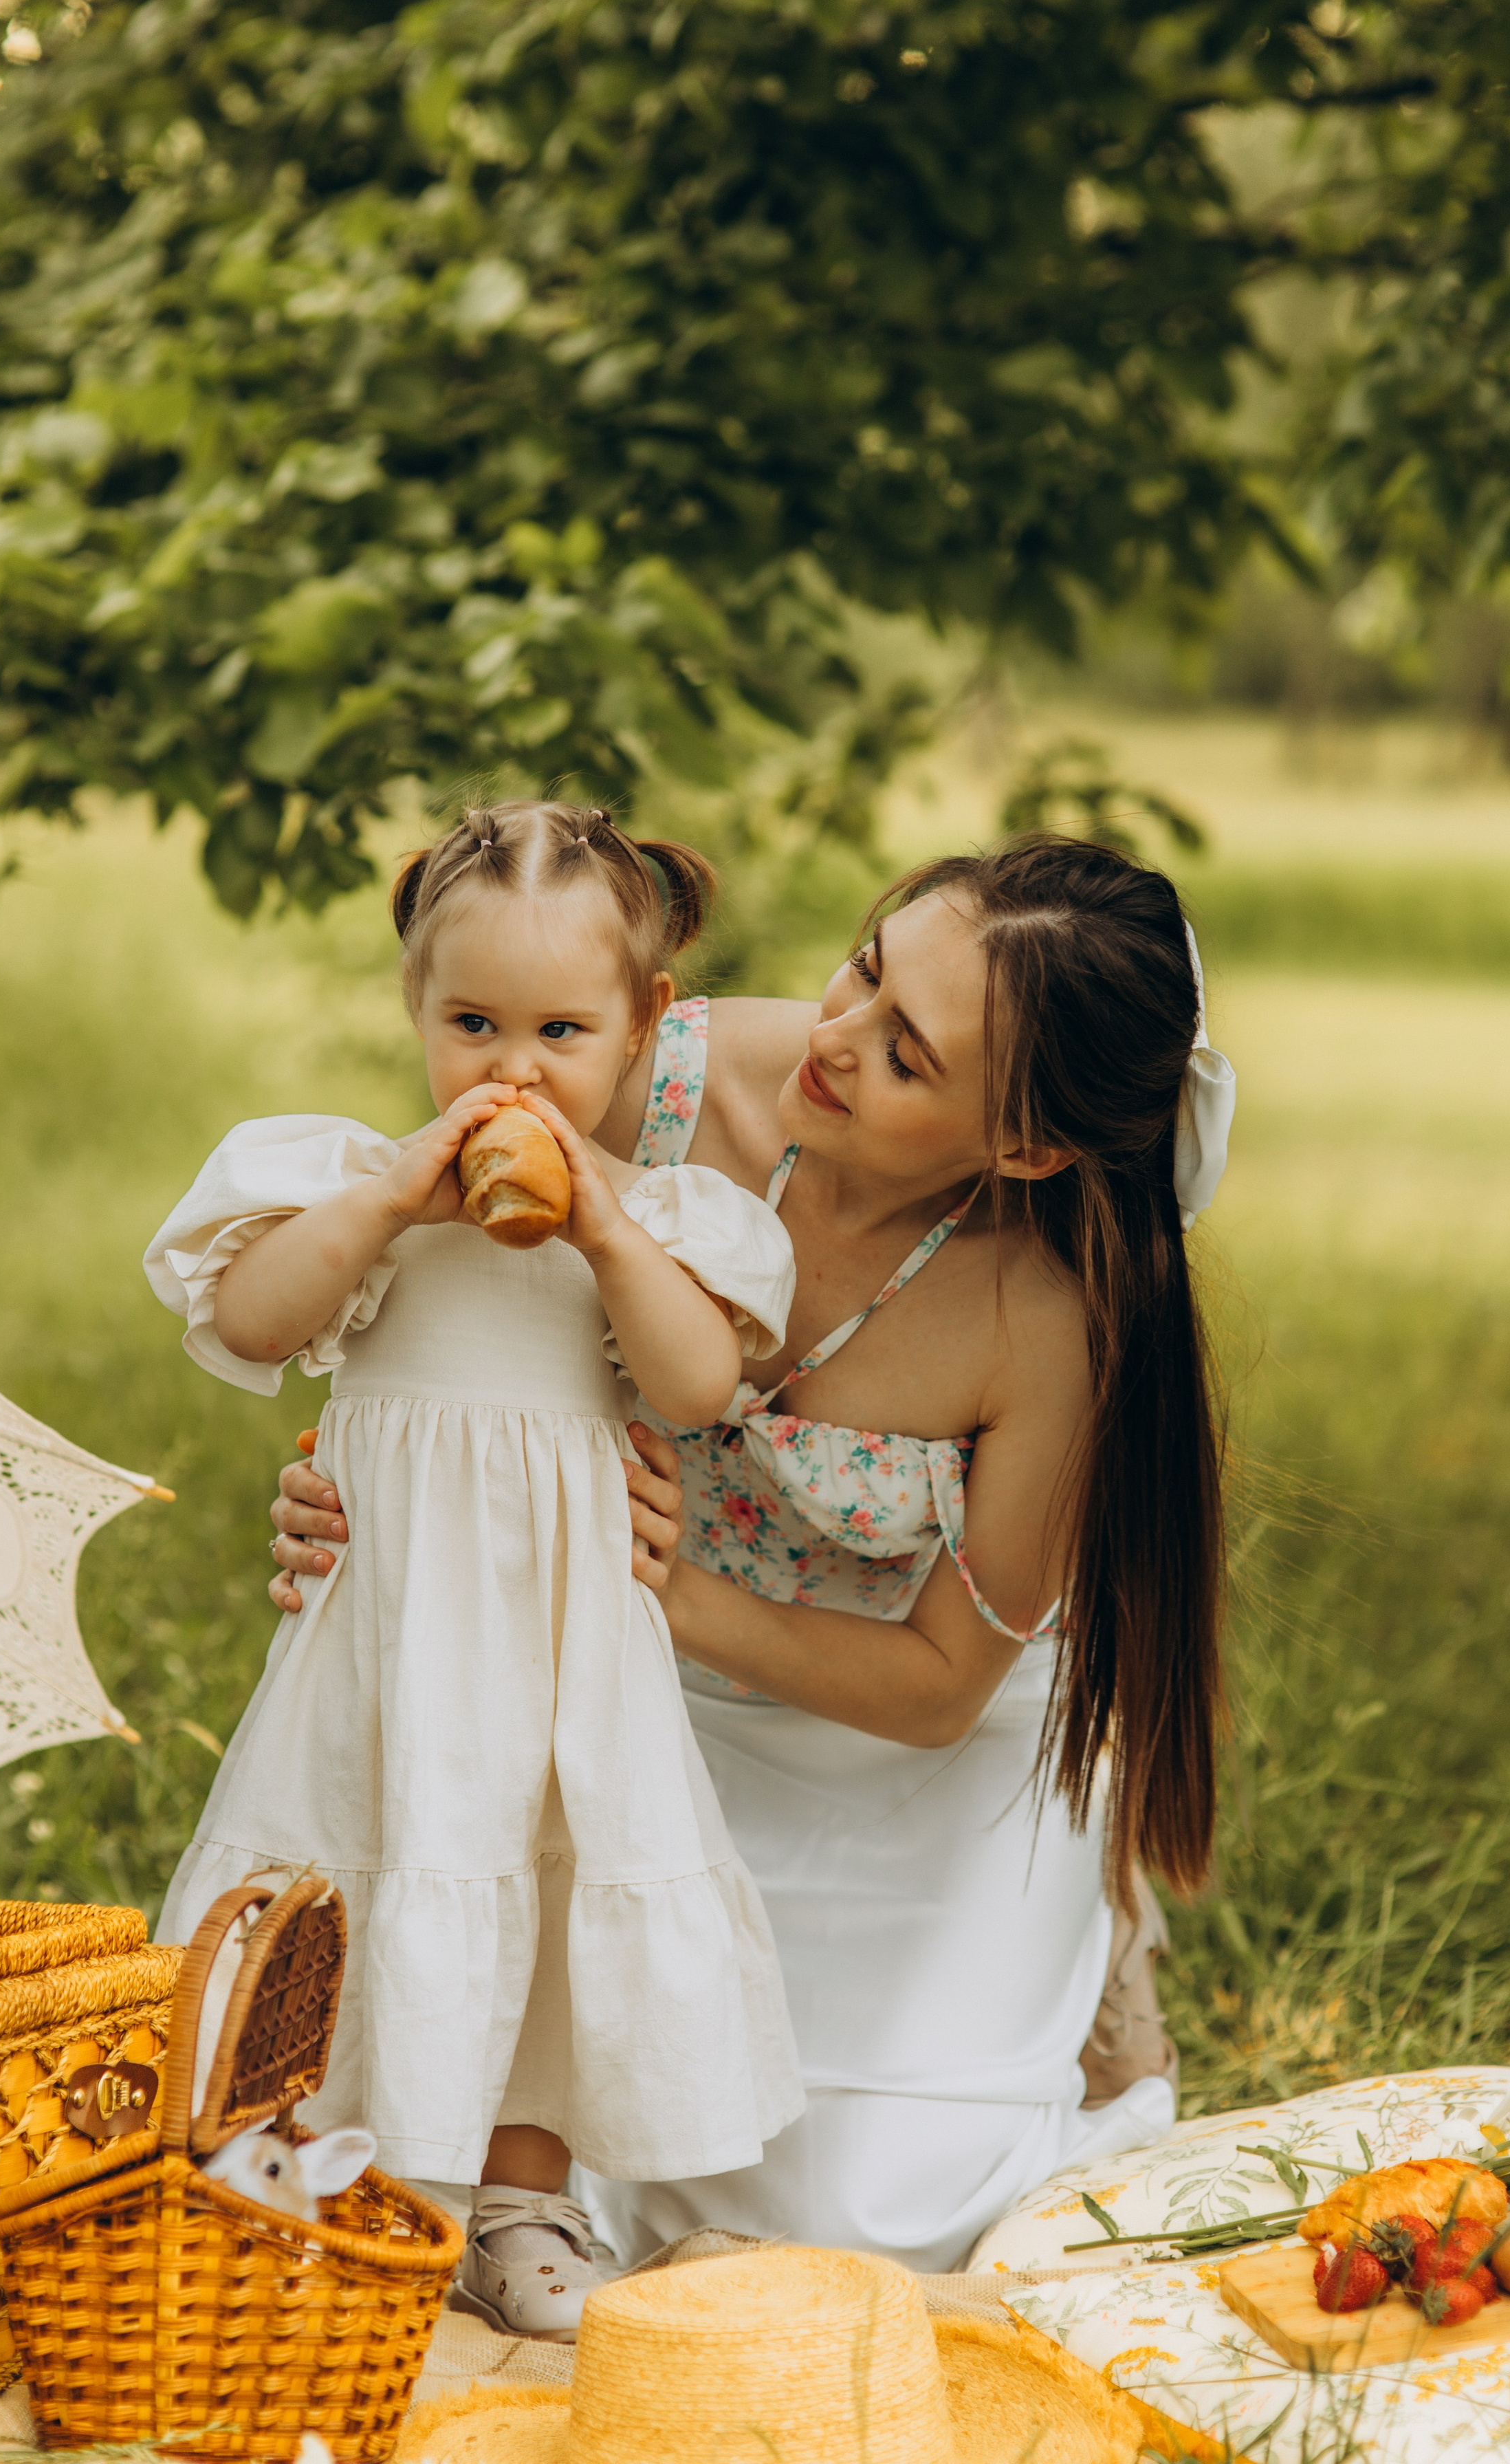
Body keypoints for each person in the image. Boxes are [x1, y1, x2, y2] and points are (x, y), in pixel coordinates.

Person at [270, 833, 1236, 2273]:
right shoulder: (638, 1068)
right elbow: (428, 1317)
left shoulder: (1050, 1315)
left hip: (909, 1736)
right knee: (528, 2137)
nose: (835, 1036)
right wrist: (355, 1490)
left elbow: (936, 1687)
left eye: (907, 1053)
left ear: (1021, 1146)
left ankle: (1085, 1923)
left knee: (858, 2218)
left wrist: (672, 1593)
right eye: (864, 966)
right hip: (634, 1715)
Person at [144, 802, 805, 2339]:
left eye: (563, 1030)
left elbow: (697, 1384)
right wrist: (384, 1197)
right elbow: (248, 1322)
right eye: (471, 1023)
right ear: (415, 1013)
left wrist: (603, 1228)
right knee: (345, 1875)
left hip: (564, 1652)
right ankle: (307, 2174)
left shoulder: (662, 1221)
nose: (512, 1069)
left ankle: (516, 2198)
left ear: (645, 1030)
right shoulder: (351, 1186)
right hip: (385, 1638)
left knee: (548, 1894)